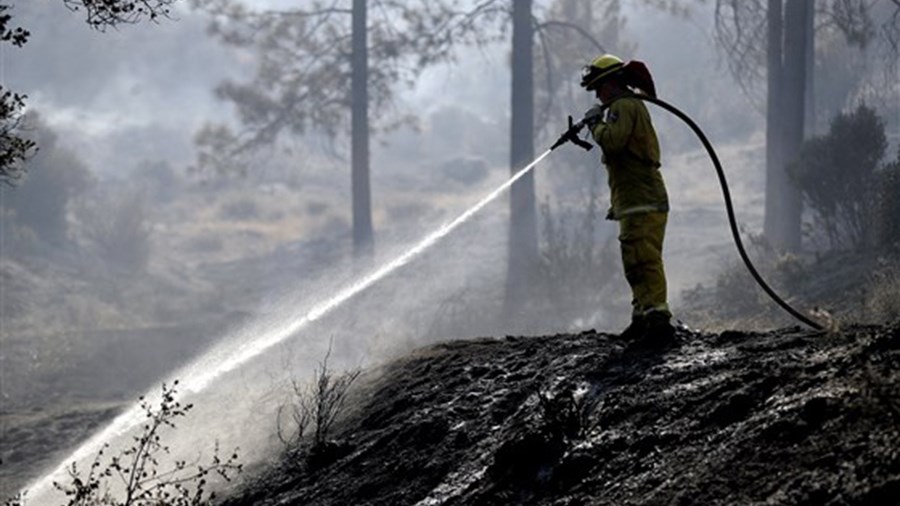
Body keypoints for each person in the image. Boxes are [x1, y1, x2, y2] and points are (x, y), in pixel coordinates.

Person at [579, 54, 675, 342]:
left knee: (644, 260)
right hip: (635, 201)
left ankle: (658, 318)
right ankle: (642, 317)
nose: (597, 94)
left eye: (599, 87)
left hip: (643, 200)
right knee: (634, 262)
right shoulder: (626, 106)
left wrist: (595, 124)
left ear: (611, 83)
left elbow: (613, 141)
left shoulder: (623, 106)